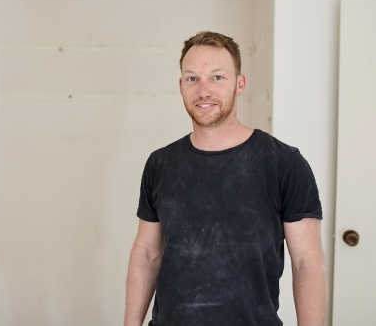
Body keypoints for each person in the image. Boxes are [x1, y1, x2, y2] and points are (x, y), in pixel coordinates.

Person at [124, 31, 327, 326]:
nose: (203, 91)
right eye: (193, 78)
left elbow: (307, 262)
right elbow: (146, 254)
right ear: (181, 86)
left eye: (217, 77)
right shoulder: (160, 163)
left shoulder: (284, 163)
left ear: (239, 83)